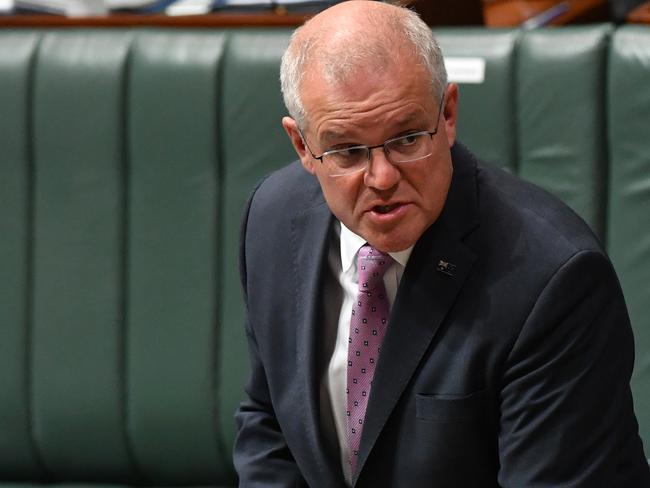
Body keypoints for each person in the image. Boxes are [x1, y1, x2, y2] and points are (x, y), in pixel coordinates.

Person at [233, 1, 650, 486]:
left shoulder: (553, 280)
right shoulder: (272, 218)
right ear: (303, 146)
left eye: (407, 138)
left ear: (448, 114)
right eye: (347, 151)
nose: (383, 177)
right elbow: (270, 424)